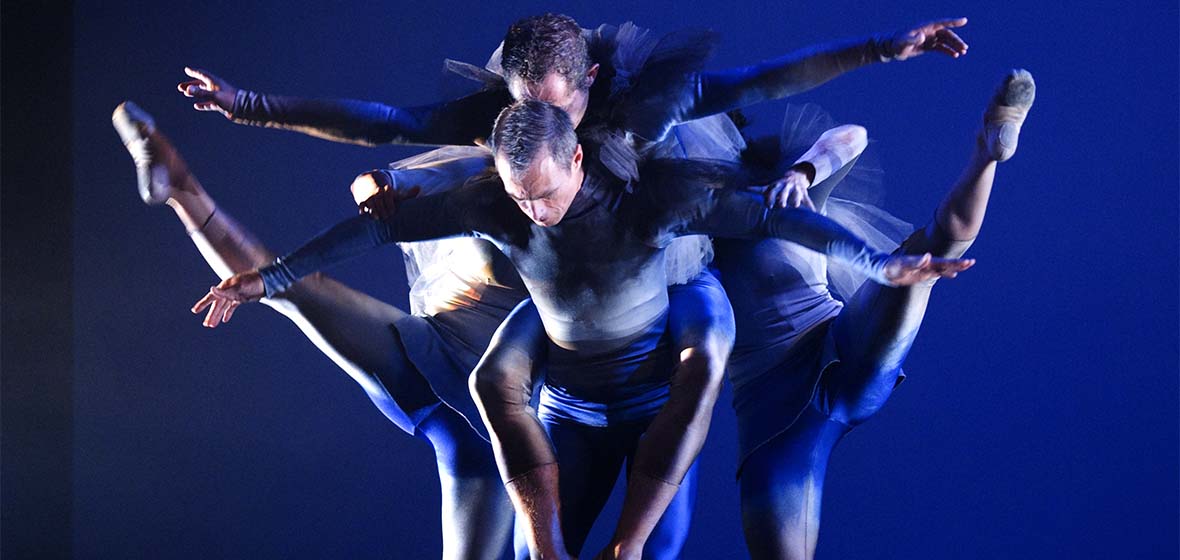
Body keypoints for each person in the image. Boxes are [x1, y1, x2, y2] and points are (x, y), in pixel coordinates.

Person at [192, 100, 974, 559]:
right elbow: (379, 223)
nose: (532, 210)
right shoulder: (503, 203)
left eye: (544, 192)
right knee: (492, 387)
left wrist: (874, 260)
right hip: (576, 393)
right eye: (519, 197)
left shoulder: (673, 215)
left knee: (706, 371)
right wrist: (276, 274)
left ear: (575, 157)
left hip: (671, 383)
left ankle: (955, 208)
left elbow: (787, 210)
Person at [112, 103, 517, 560]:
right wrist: (378, 186)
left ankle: (181, 186)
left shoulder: (595, 212)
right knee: (295, 291)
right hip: (430, 362)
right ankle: (179, 185)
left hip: (486, 423)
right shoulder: (491, 169)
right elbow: (383, 175)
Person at [712, 70, 1035, 559]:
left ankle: (989, 150)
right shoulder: (685, 235)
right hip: (772, 421)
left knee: (921, 260)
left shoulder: (778, 191)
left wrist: (803, 173)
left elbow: (851, 137)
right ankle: (988, 152)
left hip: (835, 347)